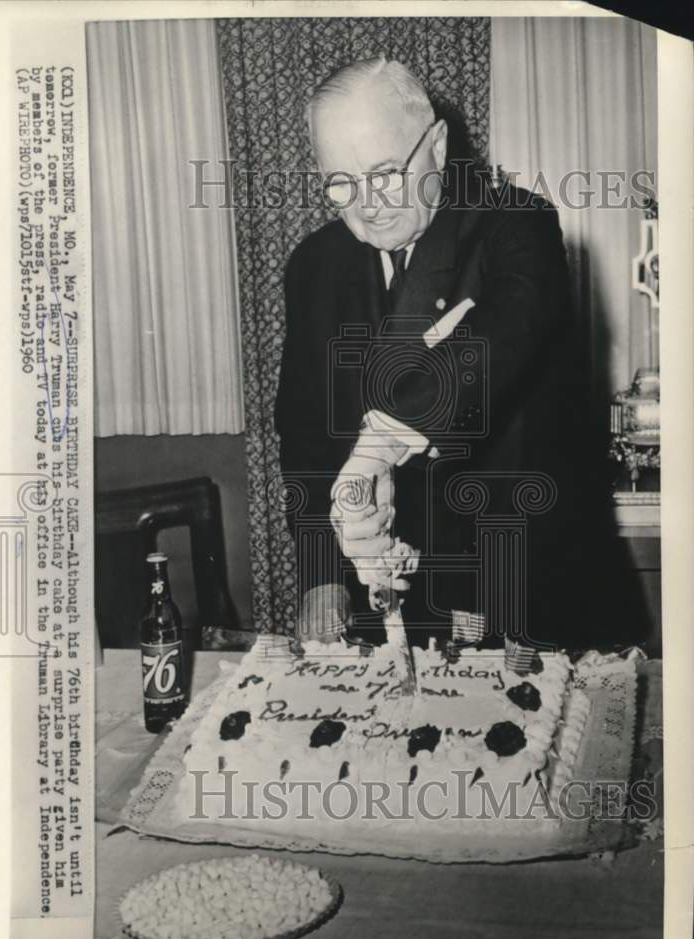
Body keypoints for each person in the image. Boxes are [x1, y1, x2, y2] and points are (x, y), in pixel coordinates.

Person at [275, 56, 647, 655]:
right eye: (340, 182)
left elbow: (498, 346)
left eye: (387, 172)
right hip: (395, 605)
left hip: (526, 592)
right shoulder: (315, 265)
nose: (367, 204)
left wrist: (377, 447)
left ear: (438, 146)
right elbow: (304, 435)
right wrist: (321, 573)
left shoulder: (516, 226)